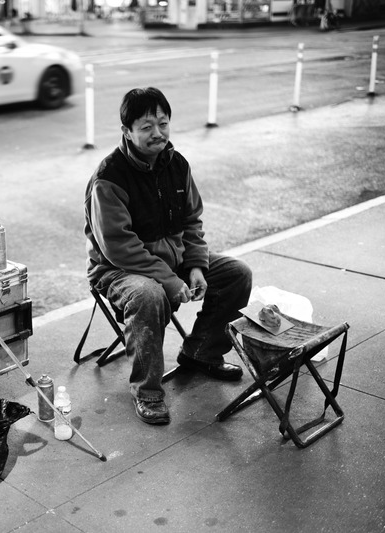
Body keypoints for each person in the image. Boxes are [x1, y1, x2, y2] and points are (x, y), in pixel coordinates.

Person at [84, 87, 253, 426]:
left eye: (163, 124)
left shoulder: (177, 164)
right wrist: (170, 280)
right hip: (117, 269)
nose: (157, 133)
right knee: (149, 294)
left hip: (172, 261)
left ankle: (201, 352)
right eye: (146, 127)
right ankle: (147, 392)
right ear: (127, 131)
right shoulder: (109, 178)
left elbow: (192, 221)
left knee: (237, 273)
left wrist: (196, 266)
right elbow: (119, 247)